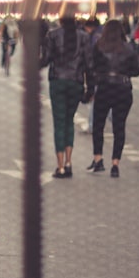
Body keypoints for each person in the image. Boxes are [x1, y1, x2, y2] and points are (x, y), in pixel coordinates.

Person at [39, 9, 94, 179]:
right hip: (76, 82)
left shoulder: (52, 35)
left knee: (59, 123)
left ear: (61, 19)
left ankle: (60, 166)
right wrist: (89, 88)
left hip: (58, 82)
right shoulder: (84, 37)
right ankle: (69, 163)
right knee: (69, 122)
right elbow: (88, 64)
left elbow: (46, 59)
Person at [86, 19, 139, 177]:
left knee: (98, 125)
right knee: (119, 127)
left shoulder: (99, 46)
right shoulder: (128, 48)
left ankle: (98, 159)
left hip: (104, 88)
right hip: (123, 90)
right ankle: (115, 164)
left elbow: (92, 67)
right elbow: (136, 71)